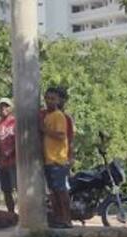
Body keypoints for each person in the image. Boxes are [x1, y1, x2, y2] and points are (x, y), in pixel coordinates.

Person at [42, 87, 73, 228]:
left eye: (52, 98)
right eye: (47, 98)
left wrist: (45, 130)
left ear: (58, 100)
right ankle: (58, 218)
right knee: (54, 191)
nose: (49, 101)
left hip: (58, 160)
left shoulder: (58, 116)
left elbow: (61, 135)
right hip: (49, 159)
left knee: (61, 191)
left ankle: (66, 218)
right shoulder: (48, 116)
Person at [0, 98, 17, 215]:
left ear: (11, 108)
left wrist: (11, 151)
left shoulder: (15, 122)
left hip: (14, 161)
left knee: (18, 189)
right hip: (2, 162)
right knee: (6, 190)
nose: (3, 109)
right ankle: (11, 213)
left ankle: (24, 215)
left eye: (6, 106)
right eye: (1, 106)